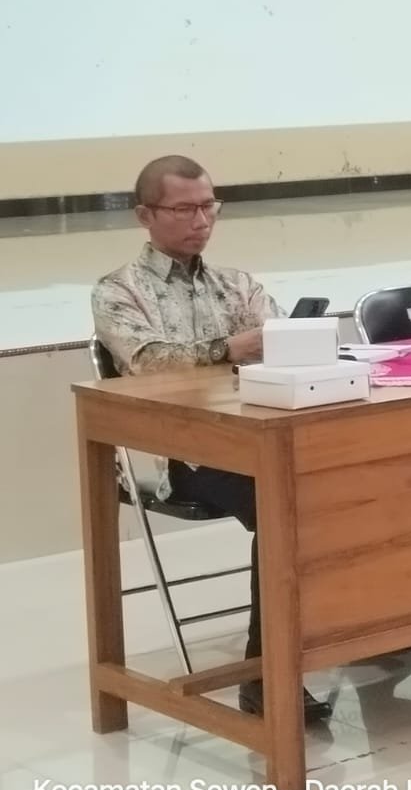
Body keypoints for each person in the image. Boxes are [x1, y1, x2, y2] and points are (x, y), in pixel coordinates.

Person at [90, 156, 333, 723]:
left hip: (261, 430)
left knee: (349, 480)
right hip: (182, 453)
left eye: (208, 207)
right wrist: (230, 349)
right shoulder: (118, 291)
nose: (201, 221)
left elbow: (281, 342)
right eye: (184, 209)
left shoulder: (238, 284)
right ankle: (265, 677)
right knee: (287, 504)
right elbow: (148, 362)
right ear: (145, 215)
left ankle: (380, 624)